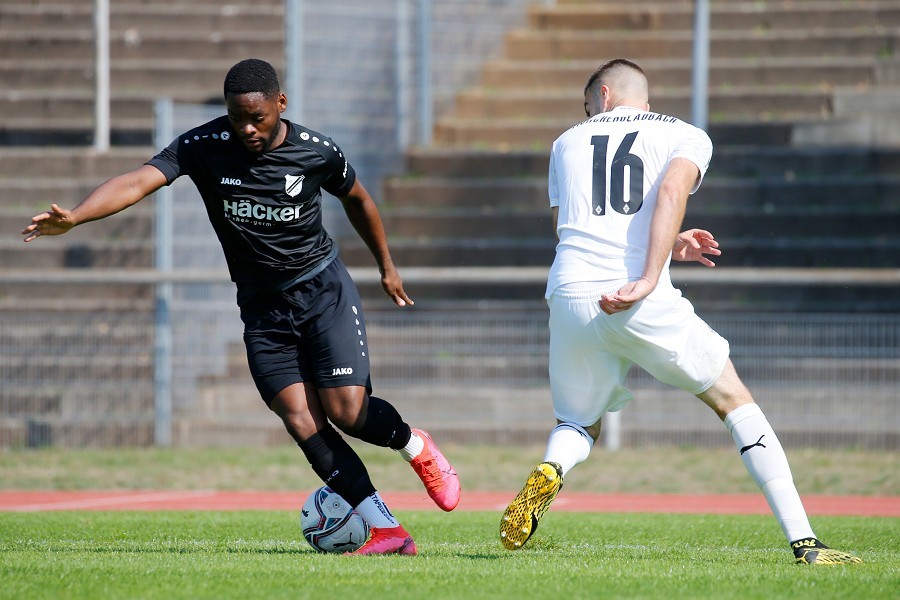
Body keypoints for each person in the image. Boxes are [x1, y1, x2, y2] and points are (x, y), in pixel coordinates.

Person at [22, 58, 459, 556]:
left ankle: (415, 446)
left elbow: (358, 199)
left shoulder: (315, 151)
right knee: (301, 419)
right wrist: (76, 216)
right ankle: (387, 530)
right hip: (261, 307)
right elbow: (137, 181)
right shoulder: (203, 145)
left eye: (258, 118)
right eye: (237, 118)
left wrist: (387, 266)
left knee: (348, 412)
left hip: (322, 292)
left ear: (281, 104)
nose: (247, 129)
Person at [499, 58, 861, 565]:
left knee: (577, 422)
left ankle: (552, 469)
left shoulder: (565, 142)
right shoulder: (685, 134)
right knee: (734, 400)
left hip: (569, 293)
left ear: (603, 96)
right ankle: (805, 542)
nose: (587, 114)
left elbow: (569, 226)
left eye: (587, 106)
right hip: (637, 295)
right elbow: (670, 191)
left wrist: (668, 244)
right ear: (642, 100)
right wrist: (651, 274)